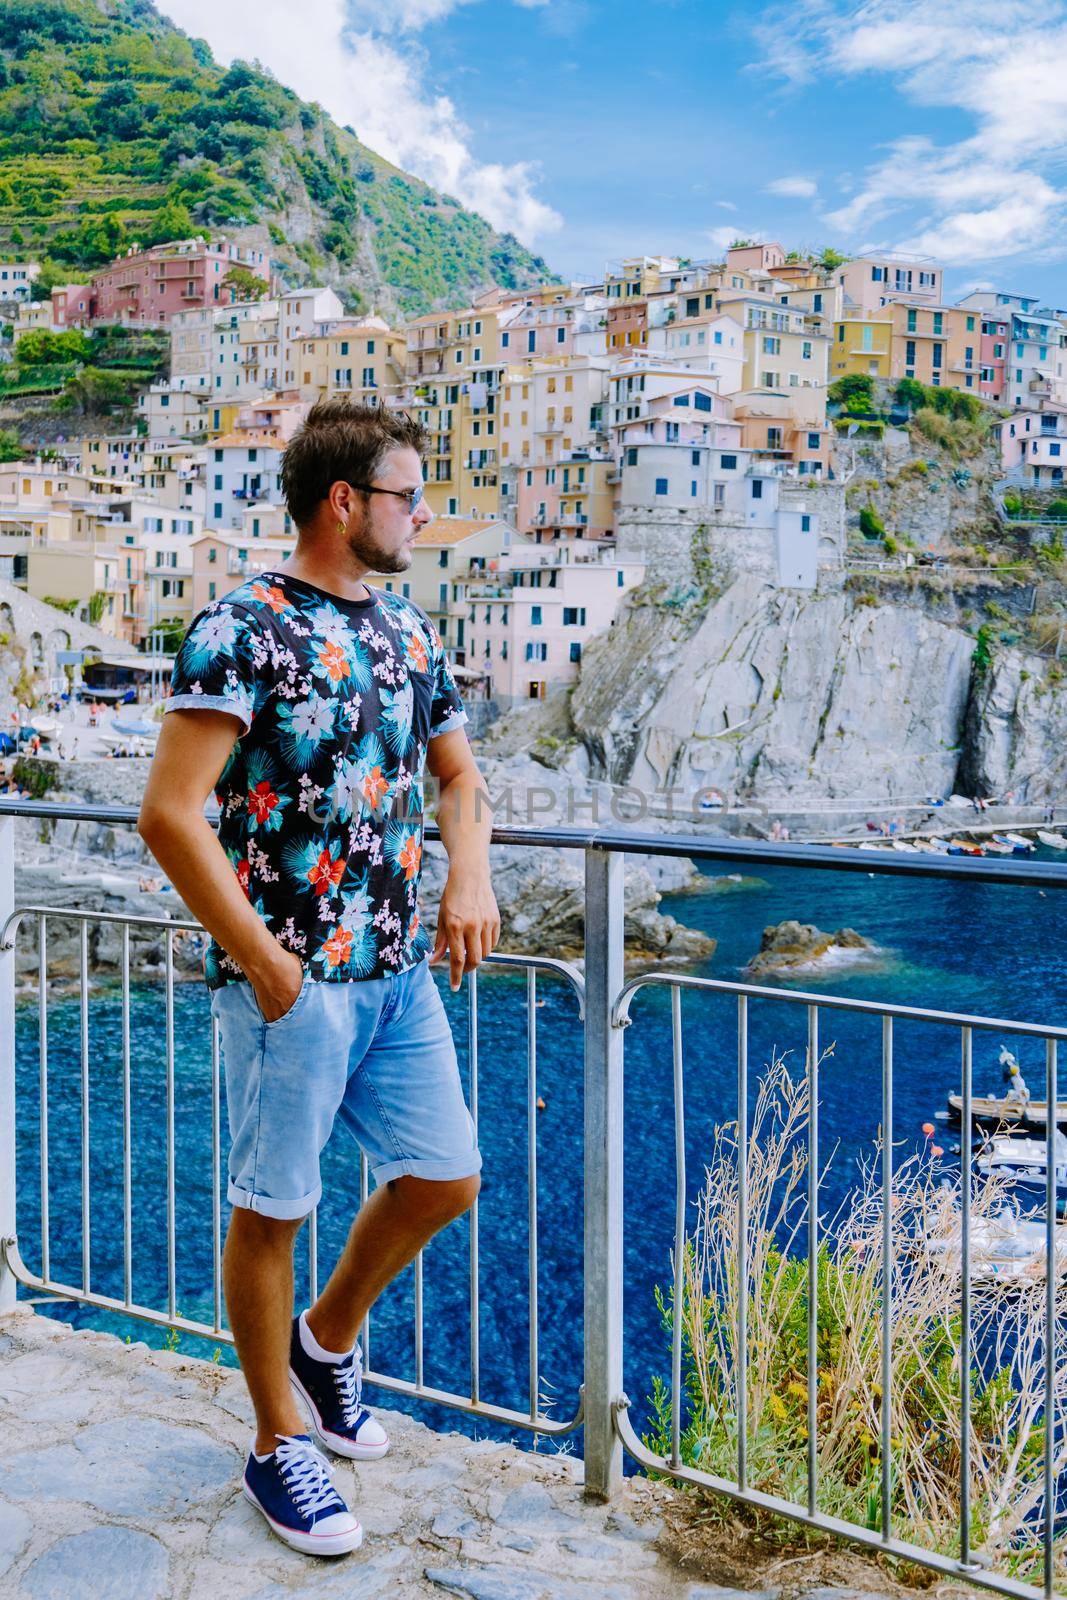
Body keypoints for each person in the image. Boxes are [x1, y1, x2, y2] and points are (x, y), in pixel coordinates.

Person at [138, 400, 497, 1560]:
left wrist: (468, 880)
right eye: (407, 495)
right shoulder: (242, 626)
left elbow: (457, 776)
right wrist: (263, 960)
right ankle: (274, 1437)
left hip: (397, 976)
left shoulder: (409, 633)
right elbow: (169, 814)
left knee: (444, 1176)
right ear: (344, 503)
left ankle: (325, 1341)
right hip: (288, 981)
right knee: (271, 1207)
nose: (423, 514)